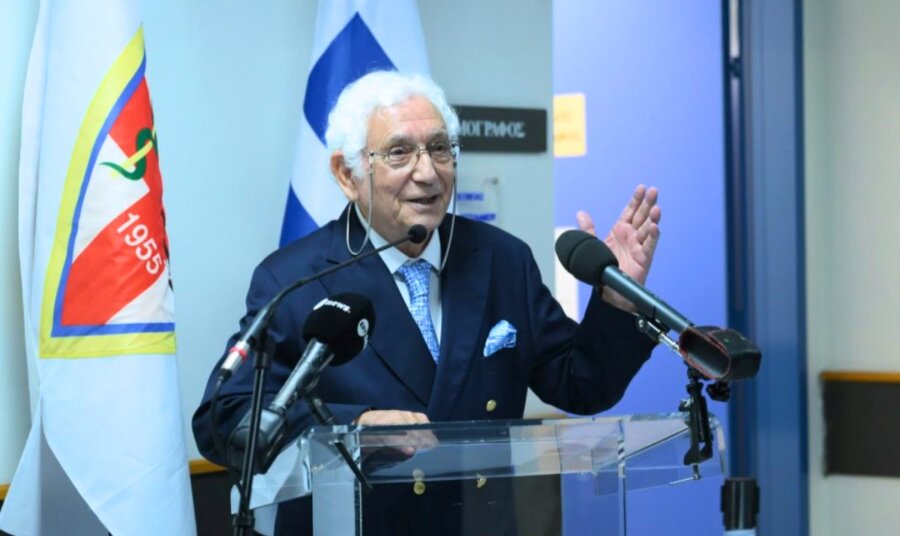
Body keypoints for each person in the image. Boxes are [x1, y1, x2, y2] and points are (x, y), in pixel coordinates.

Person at [193, 70, 661, 535]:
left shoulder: (502, 259)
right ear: (347, 174)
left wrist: (617, 302)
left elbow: (582, 385)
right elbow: (224, 419)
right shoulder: (295, 279)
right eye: (399, 152)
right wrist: (354, 429)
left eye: (440, 148)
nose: (428, 172)